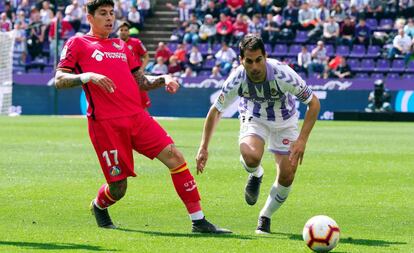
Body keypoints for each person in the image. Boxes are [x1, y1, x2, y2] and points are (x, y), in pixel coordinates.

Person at [54, 0, 231, 234]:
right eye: (103, 14)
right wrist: (87, 76)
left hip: (138, 117)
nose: (109, 18)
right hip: (106, 125)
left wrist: (164, 78)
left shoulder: (121, 46)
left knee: (175, 158)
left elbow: (142, 82)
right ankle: (99, 206)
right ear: (89, 18)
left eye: (111, 13)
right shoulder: (78, 43)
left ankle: (198, 221)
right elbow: (59, 80)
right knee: (118, 188)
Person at [196, 34, 320, 234]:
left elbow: (314, 103)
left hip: (285, 120)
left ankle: (265, 216)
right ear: (241, 61)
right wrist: (203, 147)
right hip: (254, 115)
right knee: (251, 156)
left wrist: (302, 140)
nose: (254, 67)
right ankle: (256, 173)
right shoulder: (237, 77)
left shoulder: (283, 74)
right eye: (249, 61)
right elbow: (216, 110)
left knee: (287, 175)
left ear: (265, 56)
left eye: (258, 60)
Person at [117, 21, 151, 109]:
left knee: (143, 105)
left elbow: (146, 57)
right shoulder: (114, 44)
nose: (123, 32)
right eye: (121, 30)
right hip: (121, 78)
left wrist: (141, 69)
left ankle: (146, 122)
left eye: (126, 30)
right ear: (118, 31)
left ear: (129, 32)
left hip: (136, 77)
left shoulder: (136, 42)